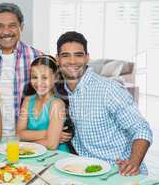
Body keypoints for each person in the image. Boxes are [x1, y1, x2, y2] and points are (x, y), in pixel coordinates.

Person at [56, 31, 153, 176]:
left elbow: (141, 129)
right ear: (57, 59)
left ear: (87, 57)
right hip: (83, 169)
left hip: (119, 170)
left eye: (78, 55)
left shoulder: (108, 89)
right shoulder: (59, 90)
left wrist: (133, 162)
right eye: (65, 55)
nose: (72, 61)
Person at [0, 2, 41, 136]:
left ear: (22, 27)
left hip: (25, 137)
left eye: (12, 26)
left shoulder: (36, 57)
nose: (6, 32)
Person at [16, 55, 75, 152]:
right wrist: (51, 133)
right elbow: (19, 134)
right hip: (33, 154)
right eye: (35, 77)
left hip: (55, 156)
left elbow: (51, 145)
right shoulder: (28, 101)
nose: (39, 82)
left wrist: (25, 143)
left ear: (55, 78)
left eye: (44, 77)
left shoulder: (56, 104)